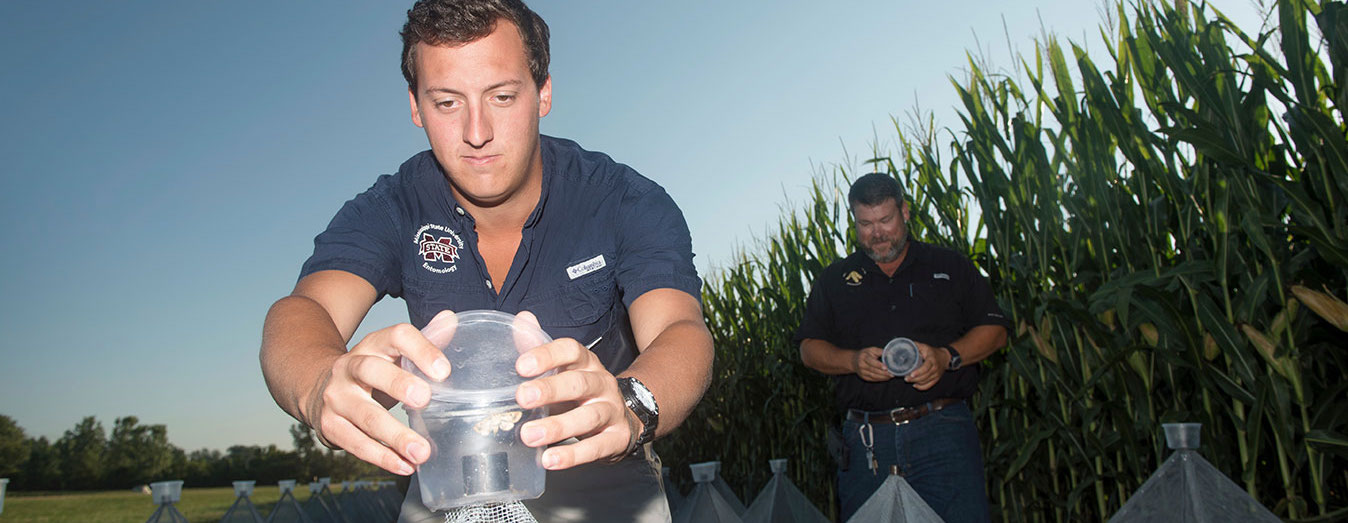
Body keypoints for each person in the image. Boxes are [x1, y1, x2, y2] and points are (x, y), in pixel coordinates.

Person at [258, 1, 714, 521]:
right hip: (448, 478)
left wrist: (633, 406)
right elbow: (300, 312)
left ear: (543, 93)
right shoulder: (391, 208)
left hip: (600, 469)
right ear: (415, 106)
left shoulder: (625, 200)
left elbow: (680, 329)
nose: (477, 132)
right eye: (447, 103)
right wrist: (319, 383)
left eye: (501, 96)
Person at [795, 172, 1009, 522]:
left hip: (943, 434)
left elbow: (995, 331)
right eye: (865, 224)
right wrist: (851, 361)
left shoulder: (949, 266)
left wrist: (946, 357)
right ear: (854, 221)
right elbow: (808, 349)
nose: (877, 233)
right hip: (866, 443)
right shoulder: (834, 281)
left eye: (886, 220)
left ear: (905, 212)